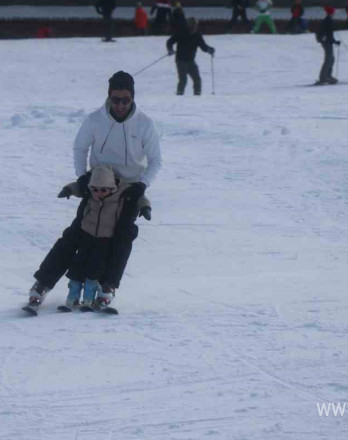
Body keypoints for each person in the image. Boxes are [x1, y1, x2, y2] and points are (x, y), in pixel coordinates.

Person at [26, 71, 162, 311]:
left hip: (128, 191)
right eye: (116, 99)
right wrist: (82, 177)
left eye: (126, 100)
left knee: (122, 239)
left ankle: (108, 287)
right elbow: (80, 148)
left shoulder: (144, 124)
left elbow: (156, 160)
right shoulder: (94, 120)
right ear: (108, 97)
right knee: (75, 236)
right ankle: (42, 284)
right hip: (98, 186)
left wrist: (143, 185)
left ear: (132, 98)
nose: (120, 105)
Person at [55, 165, 144, 309]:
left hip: (105, 240)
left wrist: (145, 208)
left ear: (111, 188)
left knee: (94, 272)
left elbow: (140, 198)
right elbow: (77, 186)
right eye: (95, 189)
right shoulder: (91, 194)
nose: (99, 193)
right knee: (76, 270)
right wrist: (68, 190)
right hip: (87, 237)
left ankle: (90, 300)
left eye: (103, 190)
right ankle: (72, 298)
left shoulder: (121, 194)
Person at [167, 17, 215, 96]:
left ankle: (197, 96)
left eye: (195, 25)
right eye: (192, 25)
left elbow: (203, 47)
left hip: (191, 61)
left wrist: (210, 50)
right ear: (188, 25)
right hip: (180, 60)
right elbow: (170, 41)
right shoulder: (181, 32)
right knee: (183, 80)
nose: (193, 27)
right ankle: (179, 95)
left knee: (197, 79)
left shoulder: (197, 35)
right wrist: (170, 49)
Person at [315, 6, 340, 85]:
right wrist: (334, 41)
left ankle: (328, 75)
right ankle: (323, 77)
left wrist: (334, 41)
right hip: (326, 42)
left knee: (331, 59)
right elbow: (328, 34)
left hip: (327, 41)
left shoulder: (329, 20)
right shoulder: (328, 21)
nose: (334, 14)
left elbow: (330, 33)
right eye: (333, 12)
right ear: (331, 13)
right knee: (328, 59)